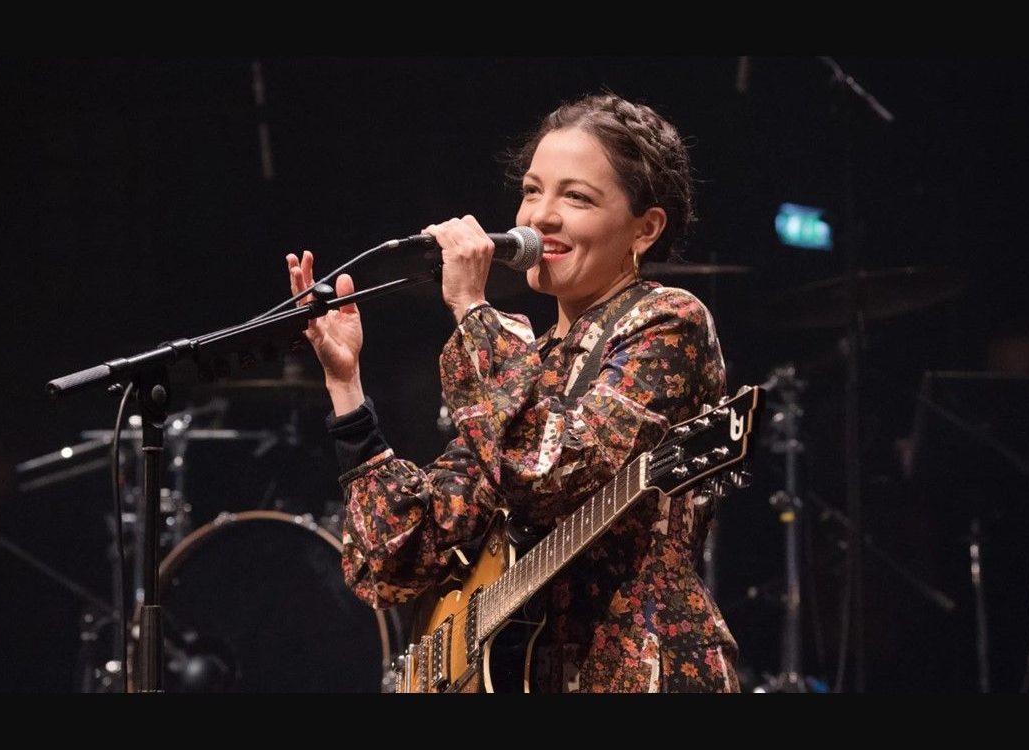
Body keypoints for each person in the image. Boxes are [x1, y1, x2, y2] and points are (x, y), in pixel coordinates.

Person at [286, 92, 738, 692]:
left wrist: (473, 310)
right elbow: (393, 562)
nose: (540, 216)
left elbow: (549, 475)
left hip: (638, 669)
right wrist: (347, 388)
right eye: (532, 190)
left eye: (576, 197)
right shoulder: (529, 364)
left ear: (645, 228)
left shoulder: (666, 321)